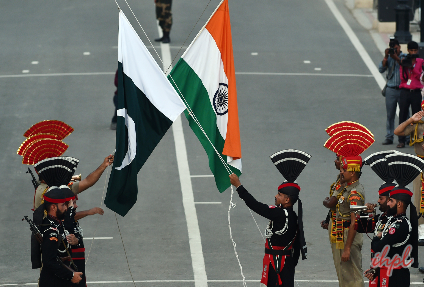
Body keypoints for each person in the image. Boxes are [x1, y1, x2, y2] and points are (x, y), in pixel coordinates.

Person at [229, 149, 309, 287]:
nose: (276, 196)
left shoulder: (280, 215)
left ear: (287, 199)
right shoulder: (293, 215)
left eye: (279, 194)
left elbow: (255, 205)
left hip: (277, 264)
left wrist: (238, 186)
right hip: (287, 263)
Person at [364, 151, 422, 286]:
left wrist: (378, 238)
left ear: (400, 204)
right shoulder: (390, 220)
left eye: (390, 200)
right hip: (383, 271)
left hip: (395, 277)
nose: (387, 203)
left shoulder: (401, 225)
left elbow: (379, 247)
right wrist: (376, 269)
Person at [32, 158, 84, 287]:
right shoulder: (50, 230)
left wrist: (75, 241)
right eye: (63, 205)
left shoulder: (58, 224)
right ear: (53, 207)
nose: (66, 208)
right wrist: (71, 276)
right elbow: (50, 262)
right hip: (54, 282)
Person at [358, 151, 397, 286]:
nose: (378, 201)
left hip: (390, 271)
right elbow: (363, 228)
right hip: (377, 267)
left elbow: (382, 245)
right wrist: (365, 213)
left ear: (390, 200)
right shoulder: (381, 217)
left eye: (381, 198)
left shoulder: (398, 222)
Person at [33, 154, 114, 210]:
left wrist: (104, 165)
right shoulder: (43, 191)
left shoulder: (59, 186)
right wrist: (88, 212)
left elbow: (87, 181)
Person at [394, 109, 424, 247]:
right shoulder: (418, 124)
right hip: (420, 164)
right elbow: (398, 132)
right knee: (418, 198)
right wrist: (411, 120)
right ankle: (421, 230)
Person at [64, 197, 104, 287]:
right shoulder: (64, 223)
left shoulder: (70, 219)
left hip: (79, 267)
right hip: (72, 269)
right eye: (72, 203)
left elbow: (71, 217)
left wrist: (88, 212)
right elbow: (67, 220)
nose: (76, 206)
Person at [379, 38, 406, 146]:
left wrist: (396, 57)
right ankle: (389, 136)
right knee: (390, 115)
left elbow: (406, 65)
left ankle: (406, 137)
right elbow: (381, 69)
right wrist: (386, 56)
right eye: (392, 49)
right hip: (391, 89)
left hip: (403, 89)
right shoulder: (389, 57)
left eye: (395, 48)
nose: (394, 50)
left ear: (399, 47)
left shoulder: (404, 56)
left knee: (404, 115)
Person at [397, 41, 424, 148]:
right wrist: (407, 65)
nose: (413, 52)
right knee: (403, 115)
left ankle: (415, 138)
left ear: (417, 50)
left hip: (416, 92)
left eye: (415, 50)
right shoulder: (404, 61)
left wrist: (413, 67)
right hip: (405, 91)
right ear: (408, 50)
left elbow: (420, 77)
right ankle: (401, 140)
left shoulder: (421, 62)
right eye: (411, 50)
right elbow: (403, 78)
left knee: (416, 116)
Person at [321, 155, 345, 231]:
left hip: (343, 226)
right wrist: (327, 220)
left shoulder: (344, 182)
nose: (335, 161)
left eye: (337, 159)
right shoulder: (340, 177)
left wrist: (325, 201)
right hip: (335, 221)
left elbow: (331, 203)